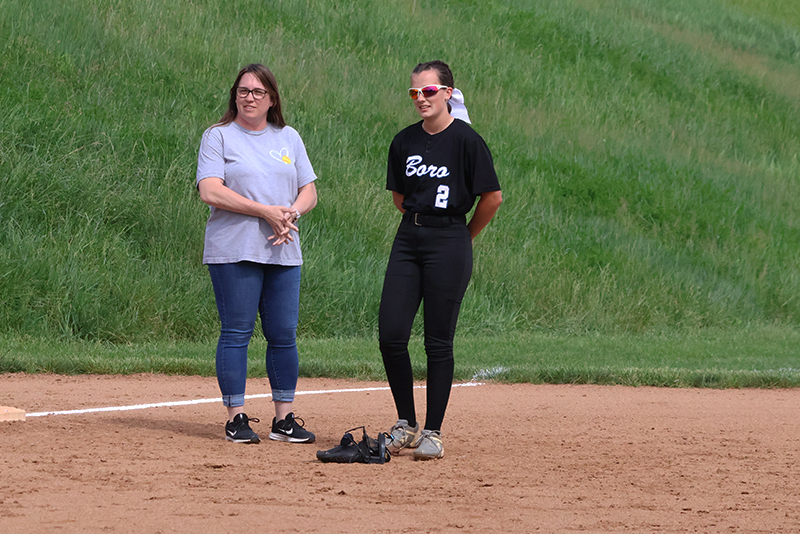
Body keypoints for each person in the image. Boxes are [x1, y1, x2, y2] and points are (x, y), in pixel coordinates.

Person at [379, 60, 503, 460]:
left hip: (449, 240)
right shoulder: (404, 141)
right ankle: (406, 424)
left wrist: (463, 236)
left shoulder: (467, 141)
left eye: (429, 91)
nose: (421, 98)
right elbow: (400, 197)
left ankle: (433, 431)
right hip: (409, 239)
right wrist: (421, 224)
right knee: (391, 334)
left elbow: (492, 197)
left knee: (437, 340)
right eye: (415, 92)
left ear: (448, 93)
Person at [196, 64, 318, 444]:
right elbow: (210, 190)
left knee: (283, 334)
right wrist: (265, 211)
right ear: (235, 96)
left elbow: (309, 191)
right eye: (243, 91)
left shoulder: (288, 137)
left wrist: (290, 213)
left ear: (272, 99)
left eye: (258, 92)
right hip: (235, 249)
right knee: (237, 333)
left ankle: (284, 420)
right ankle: (236, 419)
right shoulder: (218, 136)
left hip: (283, 248)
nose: (249, 97)